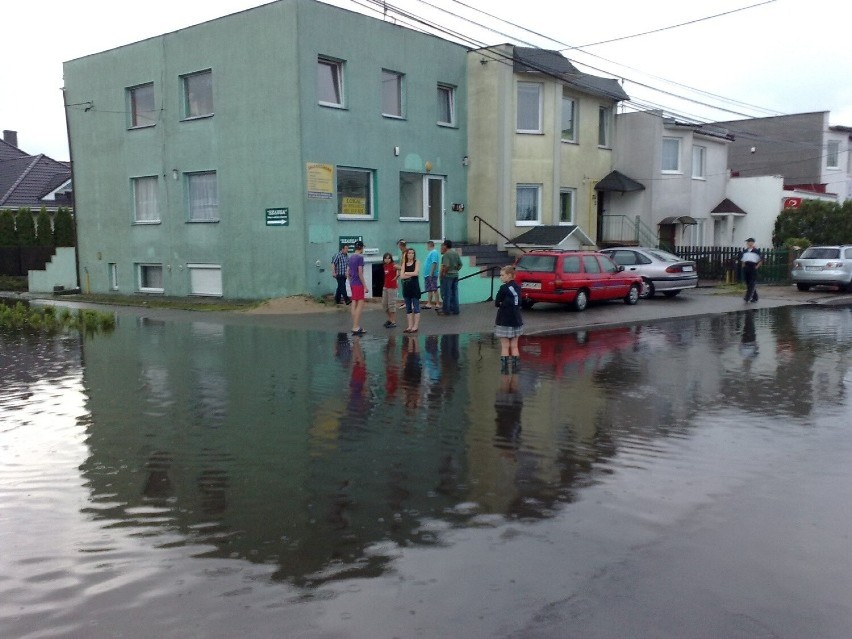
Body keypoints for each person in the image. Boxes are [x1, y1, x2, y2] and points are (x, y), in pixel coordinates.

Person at [494, 265, 524, 372]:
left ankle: (505, 369)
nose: (500, 277)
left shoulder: (503, 288)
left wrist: (502, 303)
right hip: (516, 319)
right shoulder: (518, 287)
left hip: (504, 320)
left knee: (505, 346)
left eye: (502, 275)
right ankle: (516, 368)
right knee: (514, 345)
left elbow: (497, 302)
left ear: (509, 275)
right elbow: (519, 302)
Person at [437, 239, 462, 316]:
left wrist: (443, 274)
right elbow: (460, 264)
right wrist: (455, 270)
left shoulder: (446, 254)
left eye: (443, 245)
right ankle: (455, 310)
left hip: (448, 276)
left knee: (446, 293)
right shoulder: (455, 253)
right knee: (455, 293)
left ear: (445, 246)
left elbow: (446, 266)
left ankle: (446, 311)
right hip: (455, 275)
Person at [400, 246, 422, 333]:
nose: (411, 255)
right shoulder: (404, 264)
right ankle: (409, 325)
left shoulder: (417, 262)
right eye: (409, 253)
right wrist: (410, 274)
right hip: (406, 287)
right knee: (408, 308)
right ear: (406, 254)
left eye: (412, 253)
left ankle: (415, 326)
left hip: (414, 287)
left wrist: (406, 273)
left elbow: (416, 273)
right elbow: (401, 276)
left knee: (416, 307)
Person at [347, 240, 367, 334]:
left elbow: (348, 272)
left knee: (354, 302)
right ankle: (355, 326)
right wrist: (365, 286)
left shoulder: (350, 257)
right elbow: (360, 273)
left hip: (352, 283)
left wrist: (350, 281)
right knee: (360, 304)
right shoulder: (360, 258)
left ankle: (355, 325)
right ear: (361, 248)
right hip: (358, 284)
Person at [740, 237, 763, 303]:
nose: (748, 243)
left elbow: (761, 260)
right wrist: (743, 267)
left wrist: (756, 267)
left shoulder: (756, 251)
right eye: (747, 242)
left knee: (751, 283)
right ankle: (755, 297)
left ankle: (747, 297)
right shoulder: (745, 251)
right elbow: (743, 260)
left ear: (752, 243)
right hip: (746, 267)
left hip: (753, 266)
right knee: (748, 283)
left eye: (750, 242)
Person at [422, 240, 442, 310]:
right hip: (428, 274)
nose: (426, 247)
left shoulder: (434, 252)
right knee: (429, 289)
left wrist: (431, 273)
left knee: (434, 288)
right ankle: (429, 303)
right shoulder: (431, 253)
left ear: (429, 245)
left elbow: (434, 263)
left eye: (427, 246)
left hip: (431, 274)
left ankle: (437, 304)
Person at [381, 252, 398, 328]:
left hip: (392, 287)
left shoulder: (393, 265)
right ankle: (390, 319)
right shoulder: (385, 266)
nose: (387, 259)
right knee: (384, 304)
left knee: (391, 304)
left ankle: (393, 321)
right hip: (386, 287)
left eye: (388, 258)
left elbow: (402, 268)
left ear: (391, 259)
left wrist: (397, 276)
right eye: (385, 258)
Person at [396, 239, 407, 309]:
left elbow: (405, 266)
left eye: (399, 246)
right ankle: (406, 302)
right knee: (404, 289)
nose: (399, 247)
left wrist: (397, 267)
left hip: (406, 274)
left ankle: (407, 303)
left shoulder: (406, 253)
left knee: (406, 289)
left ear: (401, 246)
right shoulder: (403, 253)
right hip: (403, 274)